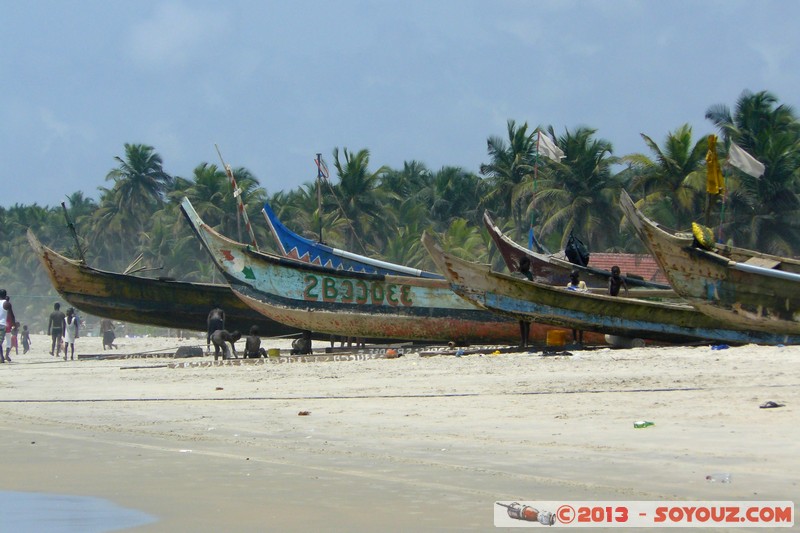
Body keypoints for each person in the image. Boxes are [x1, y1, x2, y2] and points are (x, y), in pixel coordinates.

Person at [565, 270, 586, 344]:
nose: (572, 278)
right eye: (570, 276)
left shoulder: (582, 283)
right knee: (573, 323)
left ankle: (580, 339)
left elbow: (586, 292)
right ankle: (574, 339)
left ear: (577, 277)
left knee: (580, 324)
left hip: (581, 306)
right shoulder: (569, 285)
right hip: (573, 306)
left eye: (573, 277)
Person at [517, 257, 533, 347]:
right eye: (527, 265)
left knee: (527, 322)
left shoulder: (529, 274)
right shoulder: (517, 274)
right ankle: (522, 341)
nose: (529, 267)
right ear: (522, 265)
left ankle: (526, 342)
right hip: (519, 300)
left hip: (527, 300)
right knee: (521, 321)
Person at [0, 290, 14, 363]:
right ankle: (5, 356)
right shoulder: (7, 304)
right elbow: (12, 316)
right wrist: (14, 324)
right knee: (6, 341)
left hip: (4, 326)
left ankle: (2, 357)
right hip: (4, 326)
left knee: (1, 342)